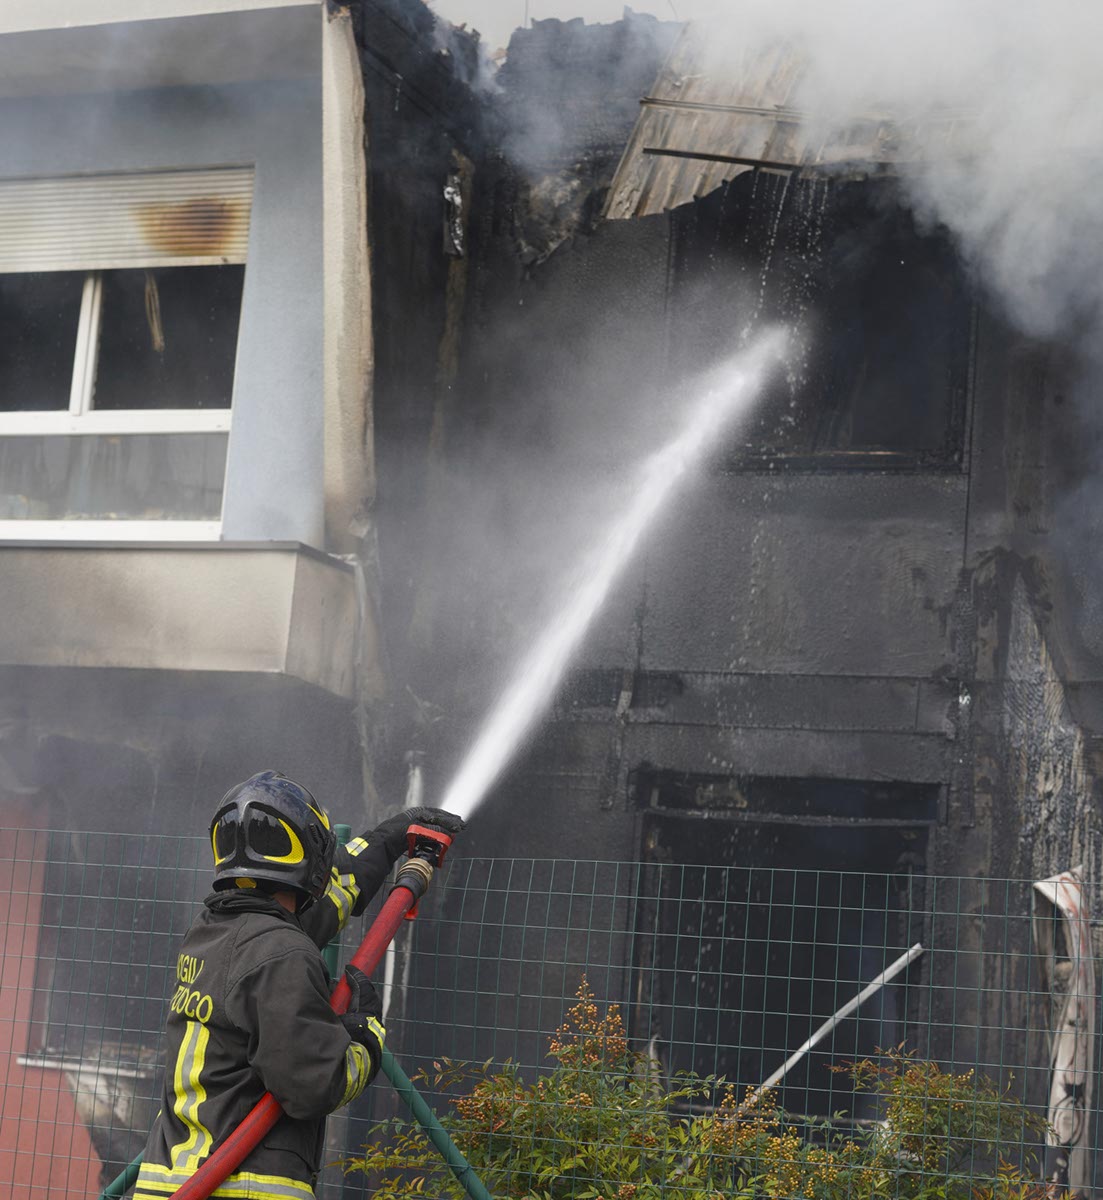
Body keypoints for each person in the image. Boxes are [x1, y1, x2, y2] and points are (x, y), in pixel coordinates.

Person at [133, 770, 465, 1200]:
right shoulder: (283, 952)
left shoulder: (213, 935)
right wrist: (366, 1036)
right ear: (312, 856)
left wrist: (388, 838)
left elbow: (330, 899)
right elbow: (315, 1085)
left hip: (170, 1183)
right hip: (245, 1186)